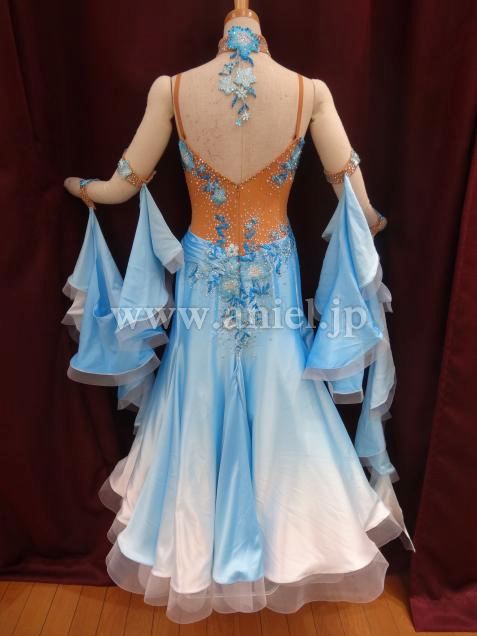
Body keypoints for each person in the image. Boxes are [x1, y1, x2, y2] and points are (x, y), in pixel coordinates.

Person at [62, 8, 413, 626]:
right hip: (273, 268)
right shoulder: (308, 92)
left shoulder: (174, 90)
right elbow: (351, 191)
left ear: (225, 34)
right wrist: (375, 221)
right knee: (280, 391)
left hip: (208, 270)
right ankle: (285, 543)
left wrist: (86, 190)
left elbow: (124, 183)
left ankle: (205, 549)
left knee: (202, 394)